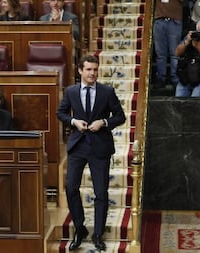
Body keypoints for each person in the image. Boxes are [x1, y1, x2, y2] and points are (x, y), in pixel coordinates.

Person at [56, 55, 126, 251]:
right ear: (80, 71)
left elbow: (120, 116)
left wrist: (103, 122)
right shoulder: (70, 91)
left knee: (101, 193)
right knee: (71, 188)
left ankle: (98, 234)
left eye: (95, 70)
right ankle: (80, 229)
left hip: (100, 147)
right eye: (88, 69)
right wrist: (73, 121)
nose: (92, 73)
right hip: (78, 147)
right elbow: (60, 113)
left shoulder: (107, 91)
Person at [152, 0, 183, 89]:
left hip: (174, 22)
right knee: (160, 54)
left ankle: (175, 79)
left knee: (175, 54)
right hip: (159, 21)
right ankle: (161, 78)